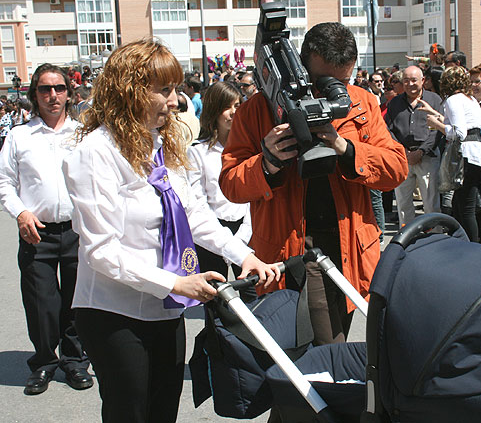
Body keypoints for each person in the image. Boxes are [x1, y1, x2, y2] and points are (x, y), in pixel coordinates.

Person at [62, 39, 280, 422]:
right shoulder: (95, 152)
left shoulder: (158, 145)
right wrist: (175, 284)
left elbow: (192, 212)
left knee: (163, 412)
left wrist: (243, 255)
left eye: (175, 90)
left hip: (165, 310)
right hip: (114, 312)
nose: (177, 101)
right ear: (131, 90)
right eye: (165, 90)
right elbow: (101, 251)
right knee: (130, 413)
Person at [220, 23, 408, 345]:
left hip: (350, 250)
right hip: (289, 252)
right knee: (325, 352)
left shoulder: (361, 103)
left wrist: (344, 147)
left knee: (329, 347)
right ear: (300, 67)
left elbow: (396, 169)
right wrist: (267, 161)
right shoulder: (257, 110)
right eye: (324, 82)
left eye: (343, 82)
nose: (335, 93)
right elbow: (231, 184)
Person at [0, 63, 93, 395]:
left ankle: (75, 362)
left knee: (75, 301)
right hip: (35, 233)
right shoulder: (19, 136)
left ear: (69, 93)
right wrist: (20, 212)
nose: (52, 95)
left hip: (77, 231)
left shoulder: (84, 133)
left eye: (59, 88)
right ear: (34, 94)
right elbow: (4, 183)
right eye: (44, 89)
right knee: (41, 304)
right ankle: (43, 362)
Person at [188, 82, 254, 300]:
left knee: (252, 295)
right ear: (215, 110)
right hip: (211, 230)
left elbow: (254, 196)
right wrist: (223, 238)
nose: (234, 112)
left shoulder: (250, 149)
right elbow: (198, 201)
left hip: (246, 228)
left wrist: (242, 236)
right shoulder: (198, 152)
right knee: (215, 300)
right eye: (228, 106)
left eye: (238, 104)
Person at [426, 66, 481, 242]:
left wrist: (436, 124)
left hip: (467, 155)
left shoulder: (453, 99)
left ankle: (472, 246)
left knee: (466, 207)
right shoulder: (471, 100)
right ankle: (480, 244)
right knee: (472, 205)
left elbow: (459, 132)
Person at [386, 65, 442, 226]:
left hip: (428, 157)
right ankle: (407, 238)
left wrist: (421, 151)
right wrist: (402, 151)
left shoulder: (434, 100)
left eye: (413, 80)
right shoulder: (395, 103)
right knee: (403, 203)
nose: (410, 84)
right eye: (406, 81)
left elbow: (437, 131)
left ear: (423, 80)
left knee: (431, 202)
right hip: (402, 157)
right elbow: (387, 130)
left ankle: (435, 237)